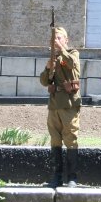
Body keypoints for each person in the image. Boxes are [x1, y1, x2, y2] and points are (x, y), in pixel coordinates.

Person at [39, 27, 81, 188]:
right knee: (55, 140)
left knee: (70, 139)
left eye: (58, 38)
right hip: (54, 105)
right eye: (53, 39)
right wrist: (48, 67)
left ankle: (72, 178)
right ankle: (57, 177)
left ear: (66, 40)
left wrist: (61, 49)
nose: (55, 41)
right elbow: (44, 81)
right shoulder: (53, 58)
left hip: (69, 104)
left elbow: (71, 64)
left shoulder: (73, 53)